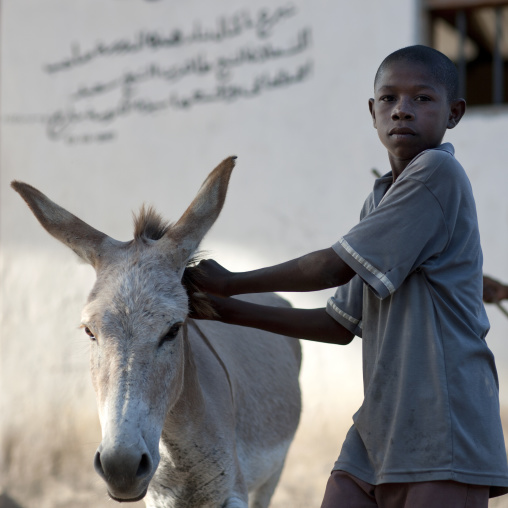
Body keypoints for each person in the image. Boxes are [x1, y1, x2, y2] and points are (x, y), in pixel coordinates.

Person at [185, 45, 508, 508]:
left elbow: (334, 265)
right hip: (379, 431)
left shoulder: (439, 173)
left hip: (445, 424)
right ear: (372, 111)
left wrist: (231, 282)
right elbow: (339, 326)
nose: (402, 109)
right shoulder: (379, 199)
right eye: (389, 98)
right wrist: (222, 311)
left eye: (422, 99)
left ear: (454, 113)